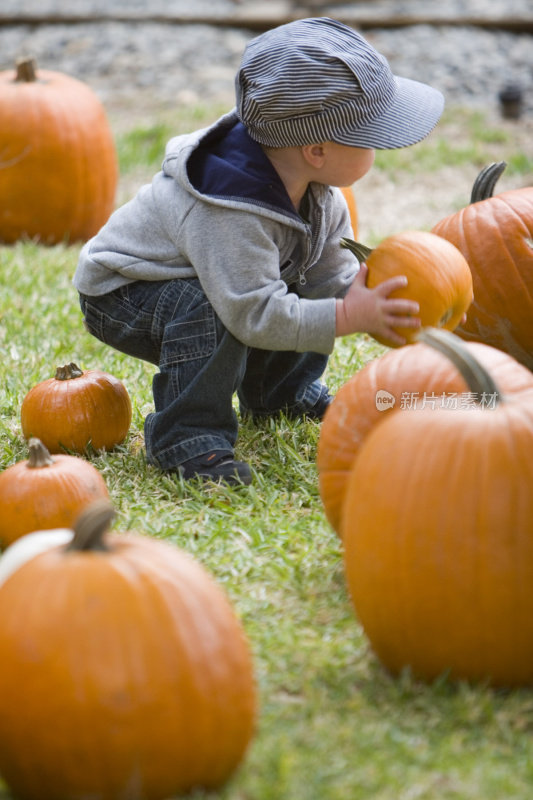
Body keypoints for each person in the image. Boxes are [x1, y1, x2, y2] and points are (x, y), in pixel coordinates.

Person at [73, 17, 444, 485]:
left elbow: (331, 278)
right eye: (373, 135)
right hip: (126, 293)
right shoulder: (230, 210)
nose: (381, 147)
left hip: (221, 283)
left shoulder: (318, 193)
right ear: (316, 150)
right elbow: (252, 313)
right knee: (213, 309)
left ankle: (279, 394)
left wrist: (378, 298)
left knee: (296, 279)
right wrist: (347, 317)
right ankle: (187, 437)